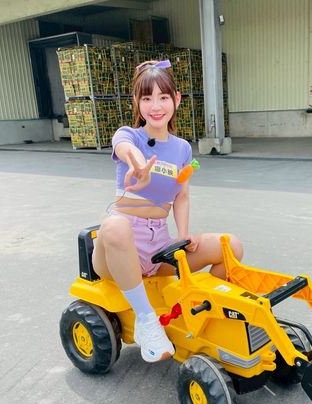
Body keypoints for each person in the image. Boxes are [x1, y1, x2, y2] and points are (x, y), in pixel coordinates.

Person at [92, 60, 243, 363]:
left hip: (158, 245)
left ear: (176, 99)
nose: (155, 106)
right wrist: (138, 164)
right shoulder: (129, 135)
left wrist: (183, 235)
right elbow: (125, 148)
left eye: (163, 97)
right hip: (118, 247)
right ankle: (147, 320)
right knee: (114, 225)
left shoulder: (182, 148)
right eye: (147, 98)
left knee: (231, 246)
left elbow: (182, 195)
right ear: (137, 102)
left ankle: (208, 314)